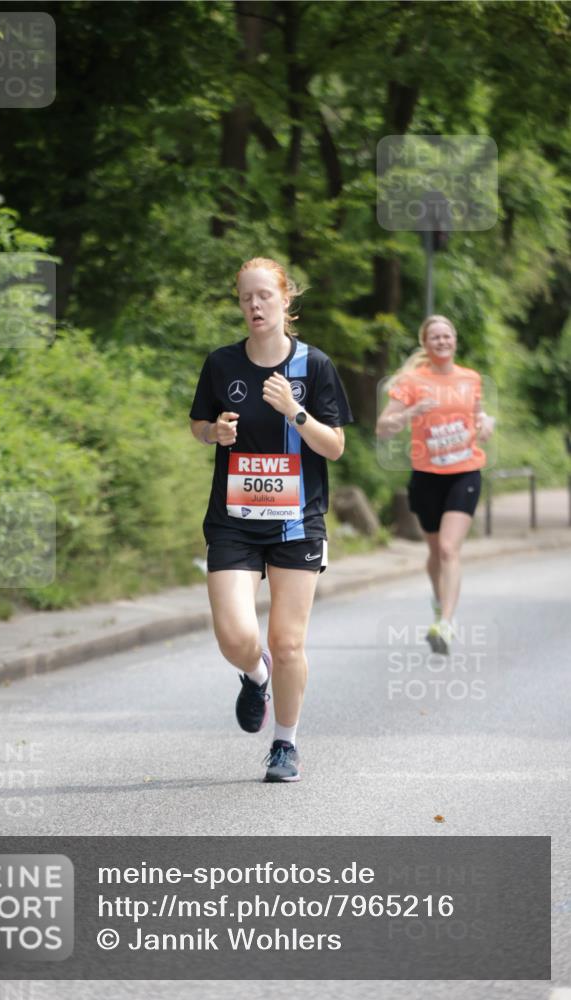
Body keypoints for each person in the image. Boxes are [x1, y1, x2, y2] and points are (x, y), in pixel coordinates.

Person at [189, 257, 352, 782]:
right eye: (245, 298)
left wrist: (295, 412)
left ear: (286, 300)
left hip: (297, 521)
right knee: (235, 636)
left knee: (287, 641)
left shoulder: (314, 366)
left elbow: (334, 446)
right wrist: (215, 433)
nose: (254, 306)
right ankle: (253, 675)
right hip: (234, 520)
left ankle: (285, 745)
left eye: (264, 296)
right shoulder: (221, 364)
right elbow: (198, 423)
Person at [376, 314, 495, 654]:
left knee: (447, 548)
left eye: (447, 336)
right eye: (435, 337)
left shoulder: (471, 379)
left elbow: (478, 418)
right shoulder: (412, 381)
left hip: (465, 472)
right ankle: (439, 601)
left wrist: (484, 425)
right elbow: (383, 427)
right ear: (426, 344)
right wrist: (410, 414)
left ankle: (446, 621)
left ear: (455, 340)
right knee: (433, 550)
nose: (442, 341)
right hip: (427, 476)